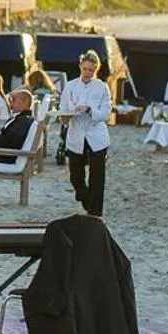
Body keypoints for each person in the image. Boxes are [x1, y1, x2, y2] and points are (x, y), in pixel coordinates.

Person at [60, 51, 113, 217]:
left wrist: (90, 110)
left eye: (91, 70)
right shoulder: (70, 86)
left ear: (96, 70)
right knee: (76, 177)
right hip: (76, 135)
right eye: (85, 69)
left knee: (97, 176)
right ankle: (85, 198)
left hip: (97, 135)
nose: (87, 73)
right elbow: (63, 111)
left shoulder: (102, 87)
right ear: (80, 67)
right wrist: (66, 116)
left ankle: (94, 212)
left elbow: (106, 113)